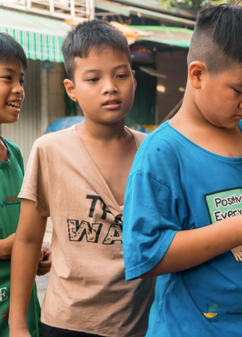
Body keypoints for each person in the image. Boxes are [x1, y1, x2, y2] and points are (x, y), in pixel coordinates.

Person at [122, 4, 242, 336]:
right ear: (197, 74)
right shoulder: (163, 152)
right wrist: (241, 230)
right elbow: (145, 255)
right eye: (239, 90)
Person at [8, 20, 154, 337]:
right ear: (71, 89)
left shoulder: (154, 153)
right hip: (66, 323)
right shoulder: (50, 151)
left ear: (134, 78)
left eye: (120, 74)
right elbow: (29, 239)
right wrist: (17, 324)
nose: (110, 87)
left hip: (139, 325)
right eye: (93, 78)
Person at [0, 33, 51, 337]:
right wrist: (7, 248)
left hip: (22, 317)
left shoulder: (16, 154)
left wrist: (35, 255)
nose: (19, 90)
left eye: (22, 80)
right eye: (8, 78)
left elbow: (26, 234)